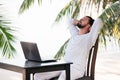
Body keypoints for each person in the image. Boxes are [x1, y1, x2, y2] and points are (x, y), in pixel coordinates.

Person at [34, 16, 103, 80]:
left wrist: (91, 28)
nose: (81, 19)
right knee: (38, 75)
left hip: (76, 69)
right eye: (82, 18)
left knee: (62, 78)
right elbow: (68, 20)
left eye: (84, 19)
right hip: (63, 66)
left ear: (89, 26)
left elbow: (99, 21)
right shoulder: (74, 34)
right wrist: (76, 22)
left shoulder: (89, 38)